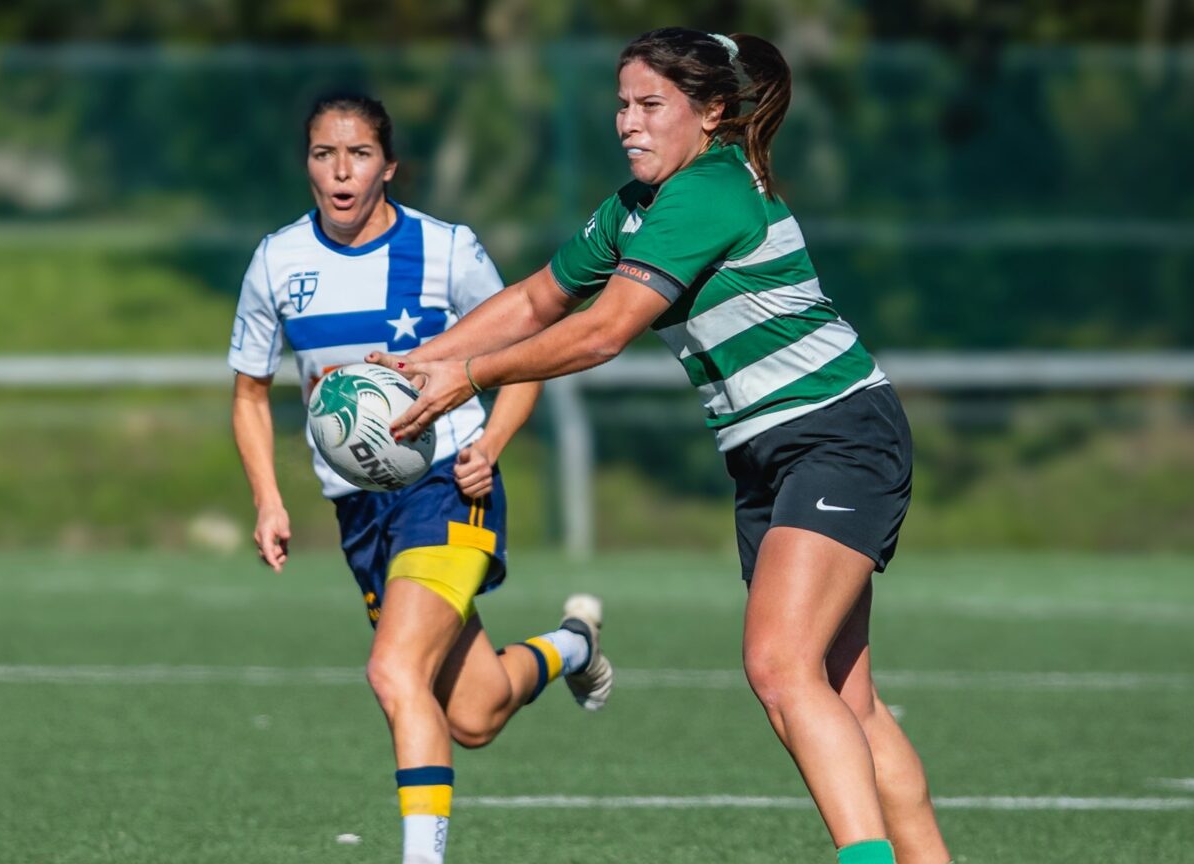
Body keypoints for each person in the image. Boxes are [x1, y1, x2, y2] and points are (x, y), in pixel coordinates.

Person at [368, 30, 952, 864]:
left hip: (834, 432)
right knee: (844, 699)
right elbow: (539, 299)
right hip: (769, 454)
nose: (627, 124)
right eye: (621, 105)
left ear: (711, 113)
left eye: (650, 106)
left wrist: (469, 373)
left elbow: (603, 331)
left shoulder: (708, 192)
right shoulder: (635, 207)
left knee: (781, 668)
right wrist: (421, 360)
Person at [229, 93, 614, 864]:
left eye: (359, 154)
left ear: (389, 166)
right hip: (360, 515)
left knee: (394, 669)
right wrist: (269, 499)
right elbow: (249, 392)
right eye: (323, 154)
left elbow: (526, 353)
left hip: (447, 487)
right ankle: (574, 646)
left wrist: (492, 444)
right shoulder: (277, 260)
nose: (340, 171)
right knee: (471, 714)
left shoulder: (445, 250)